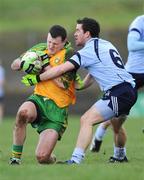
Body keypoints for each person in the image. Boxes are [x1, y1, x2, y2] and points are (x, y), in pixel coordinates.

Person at [21, 17, 137, 164]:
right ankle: (120, 156)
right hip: (127, 90)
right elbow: (96, 71)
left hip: (118, 92)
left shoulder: (87, 51)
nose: (74, 34)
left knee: (86, 120)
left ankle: (76, 159)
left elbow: (61, 69)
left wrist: (37, 79)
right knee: (116, 123)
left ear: (87, 34)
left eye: (78, 30)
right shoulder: (105, 44)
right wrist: (80, 86)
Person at [10, 25, 82, 165]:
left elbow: (62, 83)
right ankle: (15, 158)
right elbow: (14, 65)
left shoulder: (70, 54)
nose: (50, 46)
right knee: (23, 113)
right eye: (49, 41)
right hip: (38, 99)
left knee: (42, 157)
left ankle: (52, 159)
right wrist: (27, 63)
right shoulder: (40, 48)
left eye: (55, 44)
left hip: (57, 110)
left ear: (64, 42)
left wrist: (43, 65)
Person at [90, 15, 144, 157]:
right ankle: (100, 133)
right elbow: (132, 45)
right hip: (134, 72)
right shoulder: (139, 22)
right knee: (118, 116)